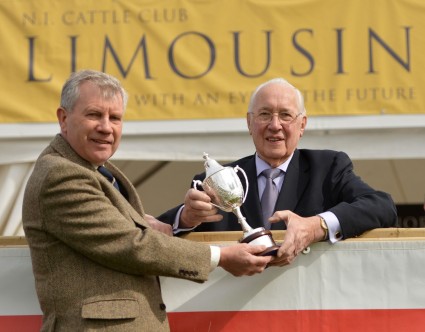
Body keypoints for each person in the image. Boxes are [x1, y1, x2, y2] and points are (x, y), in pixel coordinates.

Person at [22, 70, 272, 331]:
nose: (106, 127)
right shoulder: (61, 175)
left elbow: (118, 236)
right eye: (94, 114)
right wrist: (222, 257)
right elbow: (131, 245)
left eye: (115, 118)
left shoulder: (92, 169)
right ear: (63, 119)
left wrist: (172, 221)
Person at [158, 77, 398, 266]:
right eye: (264, 114)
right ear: (249, 123)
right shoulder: (214, 182)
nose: (275, 125)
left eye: (285, 115)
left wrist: (317, 227)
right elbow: (154, 236)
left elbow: (382, 206)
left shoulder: (328, 168)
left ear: (302, 125)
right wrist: (187, 218)